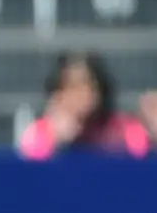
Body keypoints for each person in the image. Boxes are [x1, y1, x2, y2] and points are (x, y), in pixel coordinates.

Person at [19, 50, 150, 160]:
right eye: (72, 87)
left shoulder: (125, 129)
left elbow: (142, 163)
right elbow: (30, 174)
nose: (82, 95)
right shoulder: (40, 132)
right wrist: (57, 141)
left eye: (88, 86)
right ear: (57, 94)